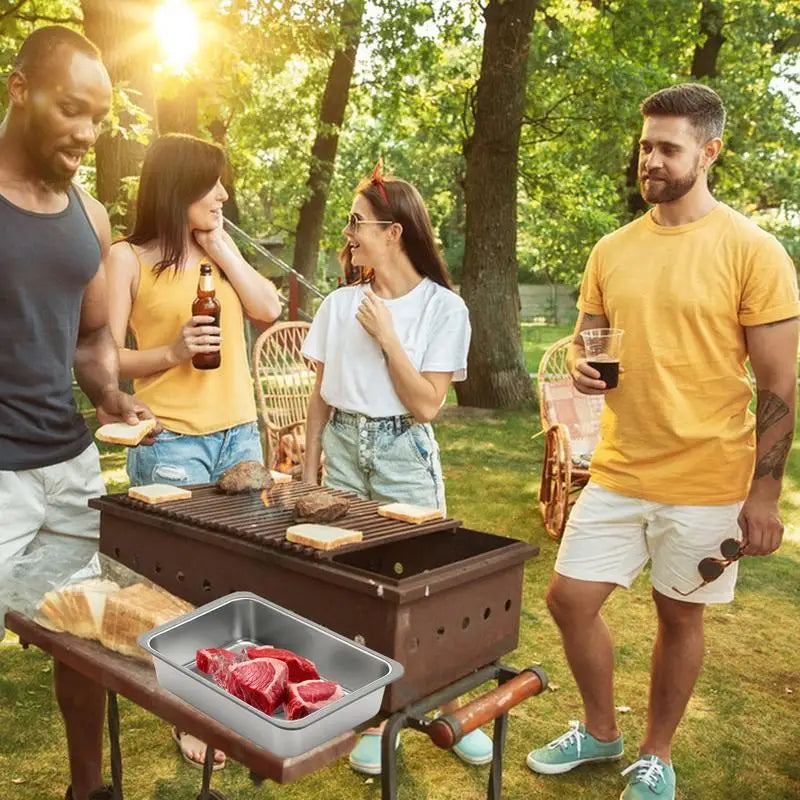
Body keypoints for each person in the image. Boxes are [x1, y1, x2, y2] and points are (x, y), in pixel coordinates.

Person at [525, 84, 798, 800]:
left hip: (709, 477)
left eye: (667, 147)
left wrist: (765, 492)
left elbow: (778, 385)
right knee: (567, 599)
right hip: (618, 468)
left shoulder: (753, 252)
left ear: (708, 153)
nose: (650, 159)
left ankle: (657, 753)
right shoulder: (612, 249)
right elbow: (591, 339)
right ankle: (599, 731)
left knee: (679, 615)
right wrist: (584, 367)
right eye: (645, 145)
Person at [0, 26, 158, 800]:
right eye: (72, 110)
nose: (87, 134)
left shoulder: (89, 217)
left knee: (85, 634)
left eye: (98, 117)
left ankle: (87, 790)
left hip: (69, 467)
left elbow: (94, 334)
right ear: (18, 88)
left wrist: (109, 393)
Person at [301, 163, 491, 775]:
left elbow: (428, 404)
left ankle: (450, 706)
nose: (349, 232)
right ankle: (375, 717)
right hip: (343, 447)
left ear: (394, 232)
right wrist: (308, 464)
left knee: (427, 586)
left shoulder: (444, 309)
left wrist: (388, 337)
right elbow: (322, 393)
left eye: (357, 222)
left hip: (403, 447)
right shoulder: (337, 304)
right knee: (353, 585)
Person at [105, 132, 281, 766]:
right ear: (179, 186)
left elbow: (268, 306)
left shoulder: (217, 251)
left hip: (240, 436)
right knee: (181, 588)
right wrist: (171, 353)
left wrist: (225, 247)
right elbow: (104, 357)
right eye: (213, 184)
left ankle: (232, 699)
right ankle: (191, 714)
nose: (224, 193)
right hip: (172, 442)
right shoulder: (127, 258)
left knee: (243, 578)